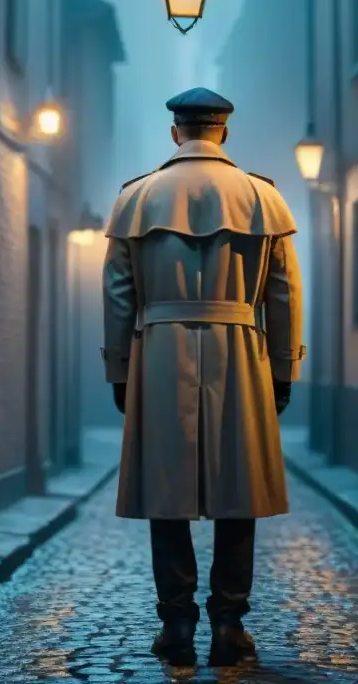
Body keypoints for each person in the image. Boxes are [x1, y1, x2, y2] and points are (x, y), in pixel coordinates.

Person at [100, 87, 306, 667]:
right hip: (240, 349)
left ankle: (178, 626)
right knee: (237, 493)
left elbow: (119, 294)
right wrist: (285, 368)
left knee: (165, 493)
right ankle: (229, 625)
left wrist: (120, 368)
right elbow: (283, 293)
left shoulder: (137, 197)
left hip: (160, 352)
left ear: (175, 132)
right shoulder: (262, 197)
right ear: (224, 132)